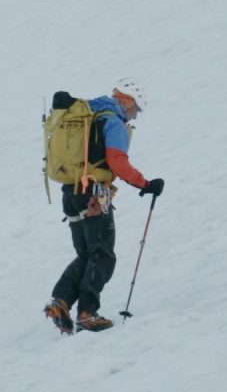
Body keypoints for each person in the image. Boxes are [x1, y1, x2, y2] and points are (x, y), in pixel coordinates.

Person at [46, 80, 162, 333]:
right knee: (103, 255)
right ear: (127, 100)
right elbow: (117, 161)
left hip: (71, 192)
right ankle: (87, 313)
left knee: (87, 254)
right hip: (94, 194)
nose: (135, 115)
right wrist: (145, 184)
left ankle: (61, 301)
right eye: (136, 109)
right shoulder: (112, 121)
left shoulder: (88, 112)